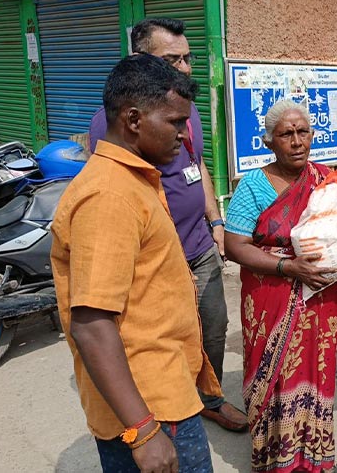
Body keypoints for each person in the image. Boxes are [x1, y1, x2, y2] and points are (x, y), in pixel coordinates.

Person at [52, 54, 221, 472]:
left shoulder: (135, 178)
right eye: (175, 122)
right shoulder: (109, 196)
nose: (185, 135)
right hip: (150, 407)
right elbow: (91, 325)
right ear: (132, 119)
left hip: (164, 388)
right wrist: (144, 432)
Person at [89, 18, 247, 432]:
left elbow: (199, 167)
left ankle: (208, 399)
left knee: (212, 327)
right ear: (141, 61)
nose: (184, 66)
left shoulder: (185, 108)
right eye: (171, 58)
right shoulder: (115, 123)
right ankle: (162, 412)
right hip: (158, 258)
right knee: (162, 339)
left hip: (200, 246)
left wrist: (216, 220)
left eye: (187, 57)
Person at [224, 100, 337, 473]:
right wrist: (289, 266)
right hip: (271, 297)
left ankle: (315, 456)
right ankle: (276, 460)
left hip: (321, 298)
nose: (297, 141)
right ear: (269, 141)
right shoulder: (253, 186)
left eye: (303, 132)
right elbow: (234, 246)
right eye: (287, 134)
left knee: (317, 372)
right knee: (273, 378)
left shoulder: (326, 181)